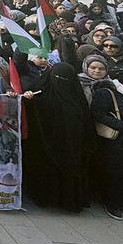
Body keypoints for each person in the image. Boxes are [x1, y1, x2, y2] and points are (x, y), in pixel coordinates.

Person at [23, 63, 95, 212]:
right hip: (44, 145)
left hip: (70, 146)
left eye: (65, 78)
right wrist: (29, 100)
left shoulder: (76, 99)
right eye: (57, 77)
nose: (60, 81)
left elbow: (85, 123)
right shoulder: (40, 92)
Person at [91, 70, 123, 220]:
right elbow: (98, 114)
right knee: (116, 174)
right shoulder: (108, 93)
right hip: (116, 142)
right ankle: (113, 203)